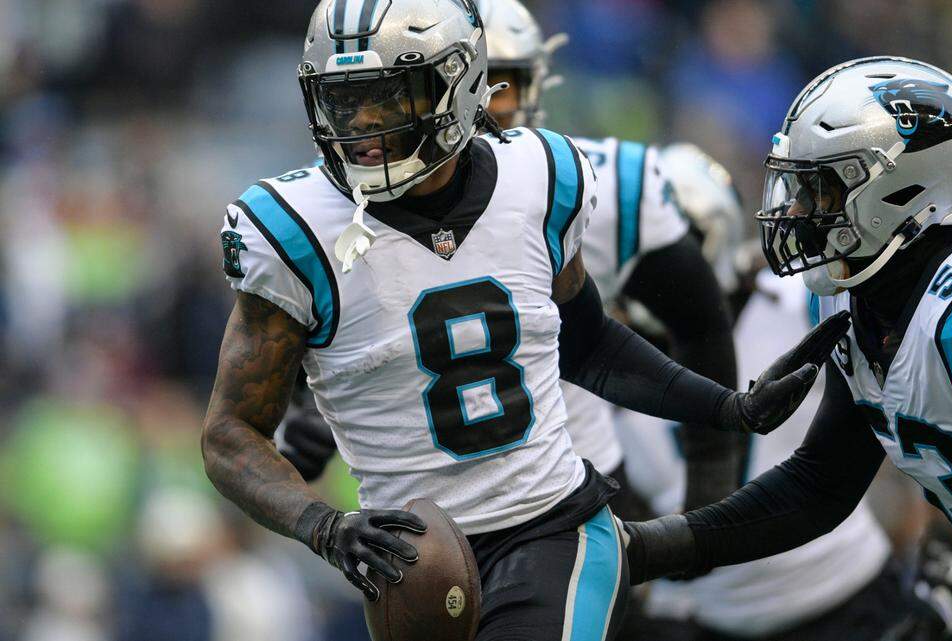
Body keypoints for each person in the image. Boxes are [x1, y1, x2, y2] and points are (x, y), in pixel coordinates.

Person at [199, 3, 848, 641]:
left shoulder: (539, 175)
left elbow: (588, 344)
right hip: (411, 561)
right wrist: (324, 525)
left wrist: (725, 408)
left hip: (556, 525)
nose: (363, 126)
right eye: (346, 101)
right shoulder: (289, 228)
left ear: (457, 85)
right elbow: (230, 433)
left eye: (389, 98)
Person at [623, 57, 952, 641]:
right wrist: (646, 547)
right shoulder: (857, 296)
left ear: (901, 188)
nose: (794, 211)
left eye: (819, 188)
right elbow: (820, 485)